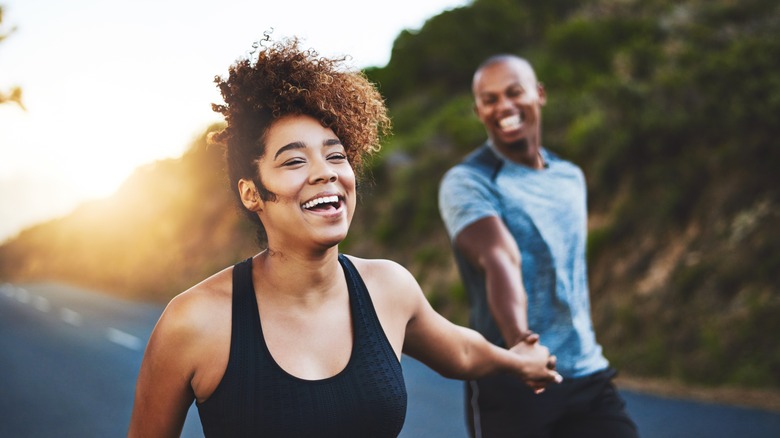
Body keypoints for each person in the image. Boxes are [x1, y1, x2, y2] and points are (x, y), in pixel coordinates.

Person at [128, 37, 561, 438]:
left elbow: (461, 352)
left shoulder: (388, 288)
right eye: (294, 161)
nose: (325, 172)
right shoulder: (194, 321)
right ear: (252, 192)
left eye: (336, 155)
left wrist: (517, 361)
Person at [438, 54, 639, 438]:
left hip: (585, 371)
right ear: (479, 110)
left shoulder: (570, 177)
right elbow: (499, 257)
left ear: (539, 94)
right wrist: (522, 344)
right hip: (512, 377)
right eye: (490, 99)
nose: (504, 107)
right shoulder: (467, 181)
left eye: (514, 92)